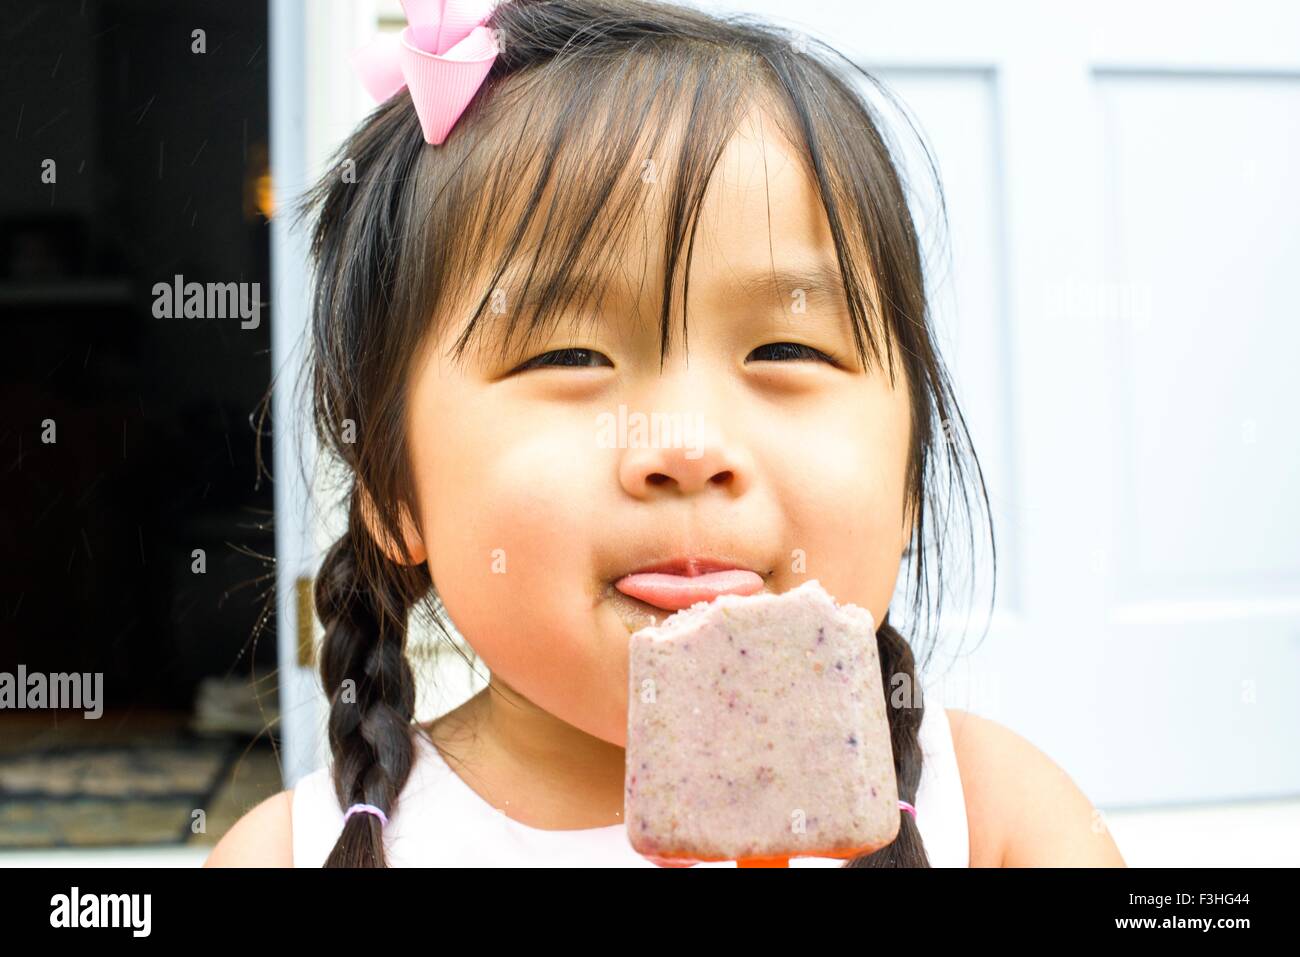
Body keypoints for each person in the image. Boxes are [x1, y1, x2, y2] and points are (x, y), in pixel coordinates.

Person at [206, 0, 1125, 868]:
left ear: (908, 482)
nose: (686, 443)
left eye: (785, 344)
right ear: (393, 489)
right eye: (568, 355)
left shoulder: (1007, 823)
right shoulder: (290, 851)